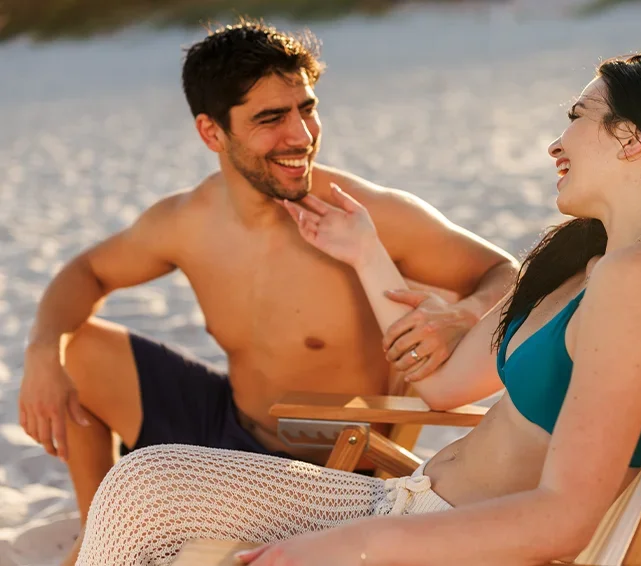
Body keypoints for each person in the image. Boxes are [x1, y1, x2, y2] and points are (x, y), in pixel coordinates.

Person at [74, 50, 641, 566]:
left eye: (578, 115)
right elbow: (443, 384)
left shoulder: (639, 281)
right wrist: (366, 255)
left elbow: (566, 518)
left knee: (144, 501)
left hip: (436, 536)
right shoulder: (591, 259)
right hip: (409, 501)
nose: (557, 144)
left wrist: (356, 545)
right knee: (145, 486)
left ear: (632, 139)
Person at [17, 20, 519, 565]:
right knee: (77, 346)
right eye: (271, 118)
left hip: (316, 474)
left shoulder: (363, 215)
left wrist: (464, 313)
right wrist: (45, 351)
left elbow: (504, 269)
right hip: (225, 423)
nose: (301, 135)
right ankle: (99, 537)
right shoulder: (188, 220)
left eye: (306, 108)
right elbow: (86, 270)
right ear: (212, 133)